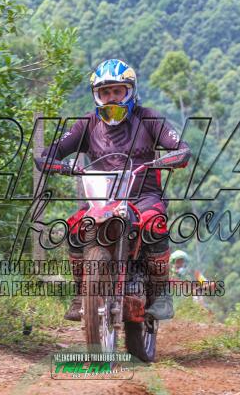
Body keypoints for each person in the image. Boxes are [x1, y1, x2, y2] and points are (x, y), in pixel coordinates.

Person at [40, 59, 191, 321]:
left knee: (154, 224)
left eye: (117, 91)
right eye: (105, 92)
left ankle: (160, 294)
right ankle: (81, 294)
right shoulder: (86, 124)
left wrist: (175, 155)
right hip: (101, 197)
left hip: (143, 196)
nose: (111, 98)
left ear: (130, 91)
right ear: (96, 95)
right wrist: (56, 162)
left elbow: (180, 147)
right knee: (75, 227)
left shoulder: (149, 118)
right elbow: (53, 150)